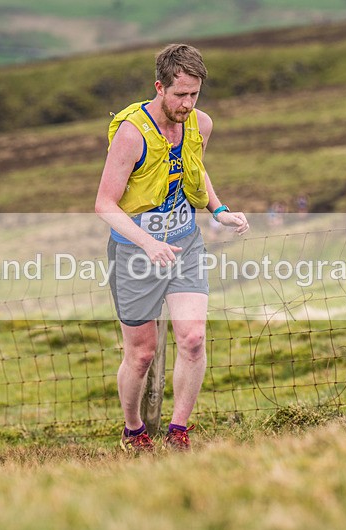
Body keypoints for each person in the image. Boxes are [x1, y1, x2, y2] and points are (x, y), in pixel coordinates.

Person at [95, 43, 249, 452]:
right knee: (142, 354)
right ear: (159, 87)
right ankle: (133, 430)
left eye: (194, 94)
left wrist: (219, 210)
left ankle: (179, 431)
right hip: (135, 254)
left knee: (194, 339)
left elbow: (195, 170)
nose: (187, 104)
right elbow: (104, 204)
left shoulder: (201, 124)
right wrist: (147, 244)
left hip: (184, 244)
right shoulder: (131, 135)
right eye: (180, 95)